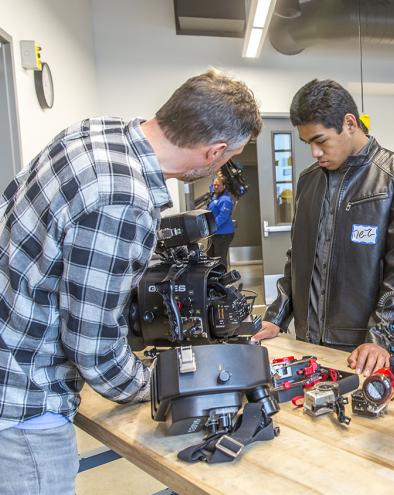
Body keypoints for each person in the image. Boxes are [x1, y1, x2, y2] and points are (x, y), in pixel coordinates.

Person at [0, 69, 262, 493]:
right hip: (28, 401)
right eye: (229, 156)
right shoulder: (125, 199)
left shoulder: (91, 133)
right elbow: (94, 349)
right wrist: (160, 380)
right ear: (214, 152)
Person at [253, 79, 394, 378]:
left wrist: (381, 337)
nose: (315, 153)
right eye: (309, 143)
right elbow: (299, 257)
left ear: (349, 123)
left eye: (321, 141)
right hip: (308, 341)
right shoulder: (309, 181)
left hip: (366, 349)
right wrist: (277, 316)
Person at [207, 175, 236, 265]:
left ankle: (222, 278)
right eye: (214, 185)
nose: (215, 187)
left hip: (223, 234)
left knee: (220, 259)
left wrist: (210, 226)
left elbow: (222, 217)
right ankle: (215, 278)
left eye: (218, 185)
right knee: (211, 257)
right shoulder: (215, 198)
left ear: (224, 186)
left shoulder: (225, 200)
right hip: (215, 233)